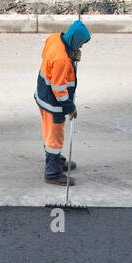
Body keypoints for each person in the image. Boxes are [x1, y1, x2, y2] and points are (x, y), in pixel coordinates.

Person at [34, 18, 91, 185]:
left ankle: (55, 161)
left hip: (43, 96)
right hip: (54, 104)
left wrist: (71, 55)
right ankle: (52, 172)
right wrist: (70, 107)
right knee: (55, 138)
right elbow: (59, 89)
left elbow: (48, 59)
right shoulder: (62, 60)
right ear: (75, 40)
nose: (80, 48)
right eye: (79, 45)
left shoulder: (55, 38)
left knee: (50, 133)